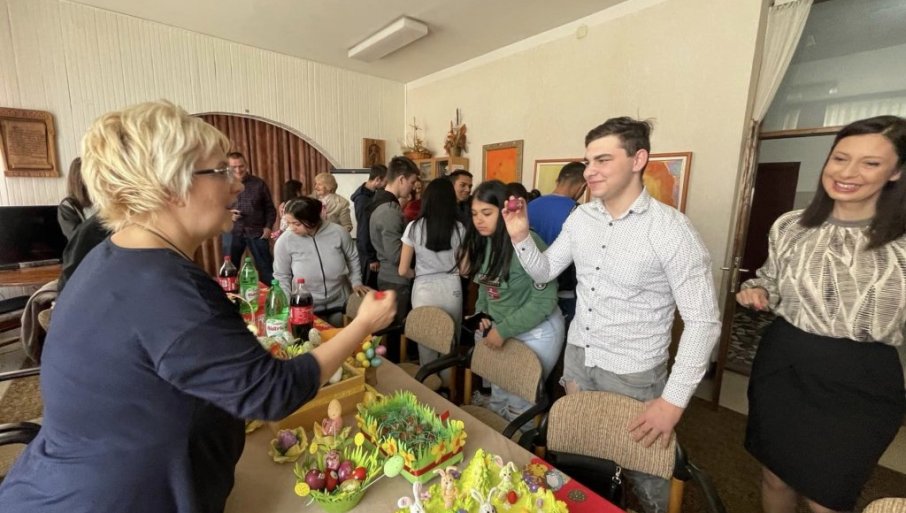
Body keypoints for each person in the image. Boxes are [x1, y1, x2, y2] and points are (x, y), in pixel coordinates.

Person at [0, 100, 396, 513]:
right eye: (221, 171)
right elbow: (274, 392)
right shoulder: (168, 289)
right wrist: (363, 324)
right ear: (171, 186)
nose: (237, 185)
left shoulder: (111, 257)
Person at [501, 117, 720, 513]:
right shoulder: (581, 218)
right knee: (581, 453)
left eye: (603, 160)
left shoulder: (672, 230)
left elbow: (703, 322)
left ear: (638, 159)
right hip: (579, 358)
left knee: (646, 474)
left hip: (633, 372)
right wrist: (520, 236)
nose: (590, 171)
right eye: (588, 161)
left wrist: (673, 402)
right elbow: (544, 272)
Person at [736, 115, 906, 513]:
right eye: (840, 158)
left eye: (870, 163)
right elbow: (769, 279)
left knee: (826, 497)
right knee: (775, 476)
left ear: (896, 172)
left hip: (860, 378)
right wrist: (757, 290)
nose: (847, 172)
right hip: (784, 361)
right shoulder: (791, 226)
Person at [459, 180, 565, 426]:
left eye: (487, 213)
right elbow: (485, 286)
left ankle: (518, 446)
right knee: (498, 391)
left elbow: (544, 301)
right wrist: (482, 314)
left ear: (505, 211)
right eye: (474, 213)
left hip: (537, 331)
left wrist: (503, 330)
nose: (479, 220)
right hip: (501, 328)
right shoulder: (484, 242)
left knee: (520, 401)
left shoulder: (528, 243)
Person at [398, 179, 465, 381]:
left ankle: (428, 386)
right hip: (451, 288)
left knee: (426, 341)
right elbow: (464, 269)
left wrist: (417, 274)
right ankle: (447, 389)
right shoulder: (459, 228)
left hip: (423, 290)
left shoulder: (413, 227)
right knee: (449, 342)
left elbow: (403, 270)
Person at [274, 197, 368, 327]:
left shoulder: (338, 232)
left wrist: (356, 281)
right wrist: (286, 303)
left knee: (340, 336)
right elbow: (281, 275)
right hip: (306, 306)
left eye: (296, 224)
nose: (292, 228)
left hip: (340, 302)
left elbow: (352, 257)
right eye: (288, 223)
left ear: (312, 220)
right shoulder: (285, 241)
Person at [367, 156, 420, 361]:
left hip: (388, 275)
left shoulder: (380, 203)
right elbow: (396, 254)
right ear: (401, 179)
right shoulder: (390, 211)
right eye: (412, 182)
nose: (413, 187)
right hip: (395, 278)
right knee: (395, 332)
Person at [526, 161, 587, 327]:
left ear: (558, 180)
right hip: (562, 290)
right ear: (582, 186)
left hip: (530, 288)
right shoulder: (577, 212)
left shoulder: (530, 206)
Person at [223, 151, 277, 284]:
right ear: (228, 167)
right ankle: (231, 296)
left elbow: (270, 208)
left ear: (246, 165)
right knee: (230, 271)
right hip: (231, 232)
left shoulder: (259, 184)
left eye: (241, 166)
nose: (238, 170)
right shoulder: (222, 185)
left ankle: (272, 295)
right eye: (234, 167)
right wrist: (228, 215)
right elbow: (214, 208)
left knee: (267, 269)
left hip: (257, 232)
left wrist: (268, 227)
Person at [352, 164, 388, 286]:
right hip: (369, 255)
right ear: (377, 179)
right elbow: (364, 230)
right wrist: (371, 258)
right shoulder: (363, 200)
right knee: (370, 288)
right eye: (385, 182)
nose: (386, 185)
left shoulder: (371, 195)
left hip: (372, 252)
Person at [57, 157, 95, 240]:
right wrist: (101, 216)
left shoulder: (103, 200)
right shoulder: (67, 206)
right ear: (80, 178)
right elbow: (76, 238)